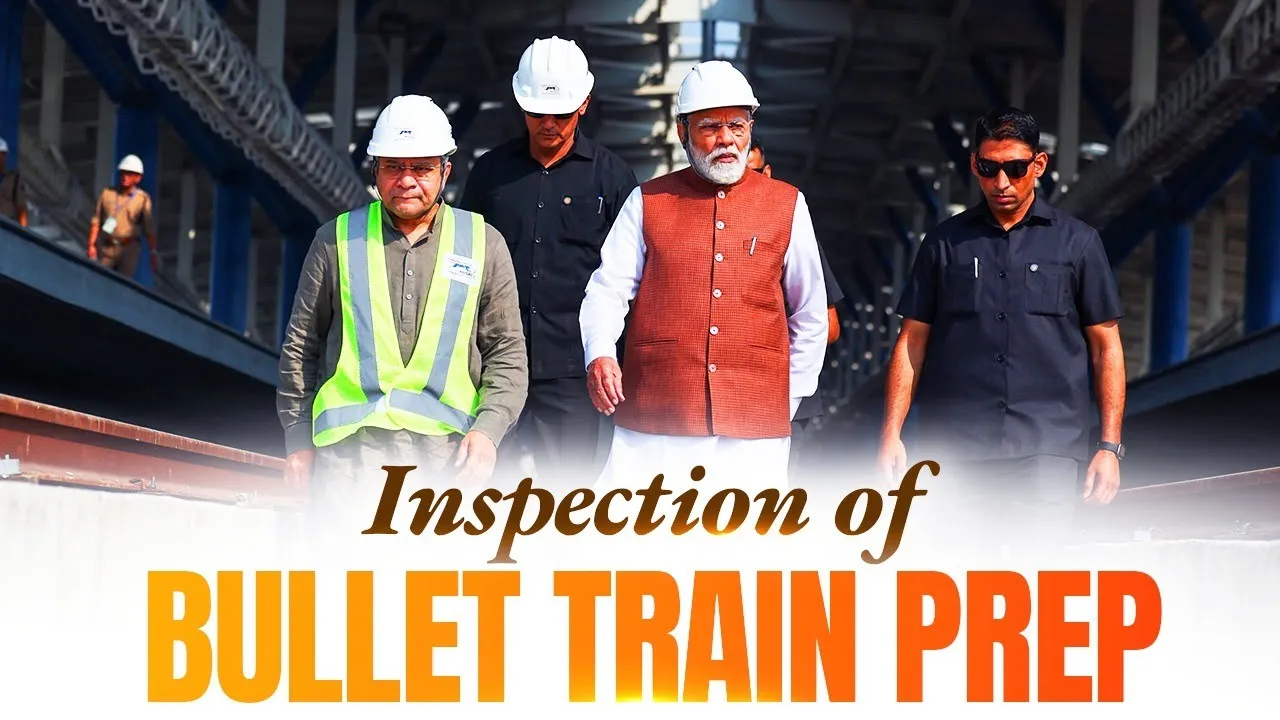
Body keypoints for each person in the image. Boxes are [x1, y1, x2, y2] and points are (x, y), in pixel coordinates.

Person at [878, 107, 1126, 552]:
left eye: (1015, 168)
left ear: (1038, 164)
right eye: (990, 169)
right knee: (952, 587)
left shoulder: (1079, 243)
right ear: (975, 165)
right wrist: (891, 434)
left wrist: (1109, 446)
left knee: (1034, 582)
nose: (1002, 183)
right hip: (951, 453)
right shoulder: (943, 244)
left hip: (1047, 451)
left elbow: (1106, 347)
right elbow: (912, 342)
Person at [277, 95, 528, 531]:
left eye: (422, 168)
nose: (407, 180)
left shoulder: (484, 243)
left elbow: (507, 354)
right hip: (348, 463)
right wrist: (298, 440)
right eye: (394, 167)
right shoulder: (335, 240)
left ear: (446, 171)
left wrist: (487, 433)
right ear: (375, 171)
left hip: (446, 462)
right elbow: (301, 348)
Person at [579, 61, 828, 492]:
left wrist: (786, 399)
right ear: (682, 131)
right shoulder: (646, 201)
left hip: (756, 429)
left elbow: (811, 315)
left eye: (737, 125)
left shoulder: (789, 204)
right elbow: (607, 290)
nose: (726, 139)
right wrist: (600, 352)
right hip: (656, 418)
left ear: (750, 128)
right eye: (710, 126)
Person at [458, 36, 637, 487]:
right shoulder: (490, 175)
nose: (550, 124)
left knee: (567, 497)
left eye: (562, 113)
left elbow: (632, 280)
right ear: (521, 104)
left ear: (585, 104)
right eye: (538, 112)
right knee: (482, 495)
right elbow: (461, 264)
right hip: (494, 369)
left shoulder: (613, 178)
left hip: (575, 376)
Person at [745, 136, 844, 480]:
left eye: (754, 173)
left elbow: (829, 327)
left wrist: (767, 332)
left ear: (768, 172)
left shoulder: (794, 230)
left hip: (784, 402)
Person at [88, 154, 159, 278]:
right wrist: (91, 245)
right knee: (100, 279)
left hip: (129, 250)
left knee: (123, 284)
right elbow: (96, 220)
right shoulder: (107, 194)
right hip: (107, 248)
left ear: (138, 178)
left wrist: (153, 252)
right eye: (123, 172)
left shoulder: (142, 199)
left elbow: (149, 228)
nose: (125, 176)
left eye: (130, 174)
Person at [0, 137, 29, 228]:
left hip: (7, 227)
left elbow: (21, 207)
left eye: (2, 154)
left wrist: (23, 231)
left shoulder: (14, 179)